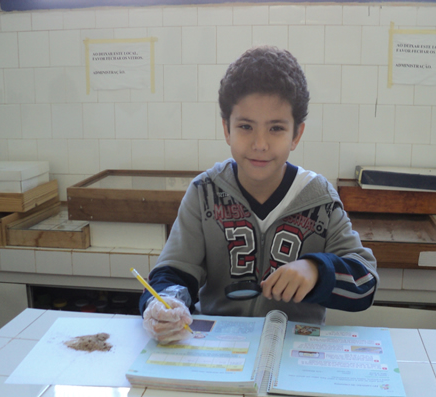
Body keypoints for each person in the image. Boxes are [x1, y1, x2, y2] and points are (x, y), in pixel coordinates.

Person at [140, 45, 379, 343]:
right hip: (216, 349)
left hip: (293, 351)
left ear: (296, 135)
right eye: (245, 127)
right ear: (227, 130)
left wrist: (316, 270)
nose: (260, 144)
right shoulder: (204, 193)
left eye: (276, 128)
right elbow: (173, 272)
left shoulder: (320, 199)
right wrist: (165, 304)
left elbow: (365, 283)